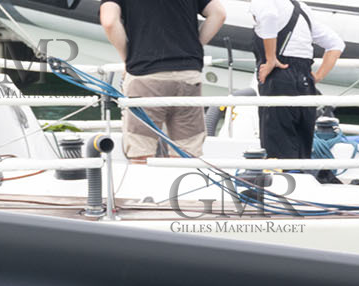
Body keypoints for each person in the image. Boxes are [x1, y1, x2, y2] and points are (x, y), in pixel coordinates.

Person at [98, 0, 226, 161]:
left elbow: (109, 22)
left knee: (141, 154)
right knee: (186, 155)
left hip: (145, 76)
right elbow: (218, 14)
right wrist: (193, 47)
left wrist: (128, 59)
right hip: (187, 76)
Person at [251, 0, 344, 166]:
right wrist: (318, 76)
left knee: (277, 146)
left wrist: (271, 58)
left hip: (278, 77)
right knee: (302, 145)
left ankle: (283, 184)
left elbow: (269, 16)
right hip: (306, 81)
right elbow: (336, 43)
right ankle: (301, 179)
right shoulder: (302, 8)